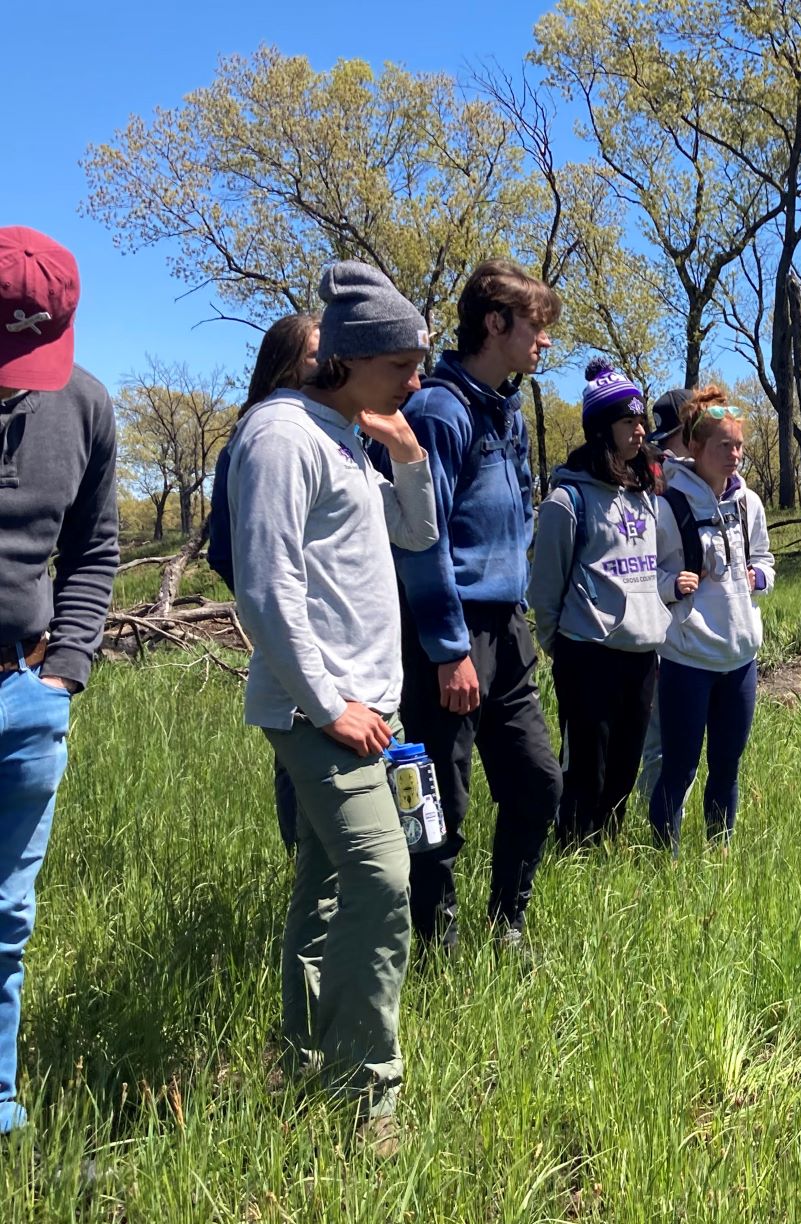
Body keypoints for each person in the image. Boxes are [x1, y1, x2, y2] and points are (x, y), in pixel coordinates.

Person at [228, 261, 437, 1148]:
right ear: (346, 361)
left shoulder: (347, 436)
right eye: (403, 366)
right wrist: (328, 704)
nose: (416, 383)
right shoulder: (281, 437)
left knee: (324, 890)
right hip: (325, 714)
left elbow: (417, 534)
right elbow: (266, 587)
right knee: (385, 884)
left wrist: (409, 454)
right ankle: (367, 1098)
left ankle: (304, 1059)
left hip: (368, 710)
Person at [391, 260, 564, 953]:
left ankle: (506, 925)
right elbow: (420, 539)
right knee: (440, 802)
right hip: (451, 633)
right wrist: (447, 648)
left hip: (507, 625)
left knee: (537, 782)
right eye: (536, 326)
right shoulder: (439, 410)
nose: (544, 341)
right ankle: (435, 940)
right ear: (494, 323)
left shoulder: (506, 409)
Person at [0, 227, 119, 1134]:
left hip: (25, 696)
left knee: (6, 921)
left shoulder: (83, 405)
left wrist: (65, 673)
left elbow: (93, 550)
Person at [527, 360, 671, 847]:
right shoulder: (567, 501)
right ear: (600, 429)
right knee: (585, 769)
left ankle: (606, 850)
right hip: (587, 653)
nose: (640, 429)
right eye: (628, 421)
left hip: (641, 652)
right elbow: (544, 590)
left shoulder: (643, 494)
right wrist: (561, 646)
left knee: (625, 769)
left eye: (640, 420)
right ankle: (571, 851)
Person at [207, 312, 320, 853]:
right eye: (317, 354)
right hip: (293, 632)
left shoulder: (338, 434)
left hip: (356, 646)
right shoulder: (259, 440)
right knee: (299, 749)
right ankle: (303, 866)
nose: (333, 364)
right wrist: (274, 603)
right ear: (284, 365)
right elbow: (227, 550)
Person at [649, 388, 775, 852]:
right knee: (679, 767)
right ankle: (666, 861)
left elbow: (765, 557)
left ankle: (719, 857)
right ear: (695, 448)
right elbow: (648, 574)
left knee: (727, 766)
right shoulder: (668, 505)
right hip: (688, 658)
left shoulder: (750, 504)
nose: (735, 455)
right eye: (724, 446)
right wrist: (670, 586)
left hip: (740, 657)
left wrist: (757, 576)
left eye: (739, 446)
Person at [635, 387, 695, 806]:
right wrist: (667, 588)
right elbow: (639, 570)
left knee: (688, 745)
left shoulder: (726, 490)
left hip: (704, 643)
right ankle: (653, 835)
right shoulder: (654, 487)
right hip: (661, 637)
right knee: (659, 742)